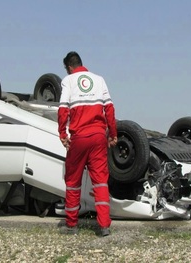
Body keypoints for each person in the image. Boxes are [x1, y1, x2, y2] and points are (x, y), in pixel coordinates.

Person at [57, 51, 117, 236]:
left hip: (80, 138)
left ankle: (71, 225)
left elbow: (62, 109)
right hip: (99, 137)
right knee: (100, 182)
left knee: (73, 181)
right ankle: (104, 226)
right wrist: (112, 134)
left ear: (68, 67)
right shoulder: (99, 80)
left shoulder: (68, 81)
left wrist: (62, 133)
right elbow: (110, 109)